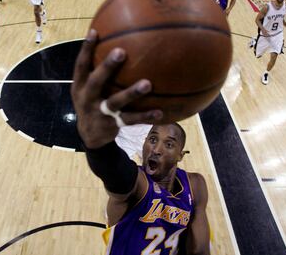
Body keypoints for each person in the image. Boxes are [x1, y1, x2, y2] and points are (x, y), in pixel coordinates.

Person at [71, 29, 210, 255]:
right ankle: (117, 214)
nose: (155, 148)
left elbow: (201, 249)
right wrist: (96, 144)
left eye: (168, 144)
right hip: (124, 132)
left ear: (181, 155)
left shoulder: (196, 186)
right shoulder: (138, 184)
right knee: (118, 189)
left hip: (141, 123)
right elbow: (117, 173)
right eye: (153, 141)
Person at [251, 0, 286, 85]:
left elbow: (280, 19)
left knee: (274, 55)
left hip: (278, 35)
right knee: (257, 55)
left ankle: (266, 73)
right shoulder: (267, 7)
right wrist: (263, 29)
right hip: (265, 35)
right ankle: (255, 41)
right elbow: (257, 20)